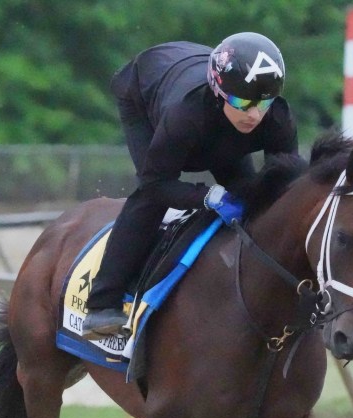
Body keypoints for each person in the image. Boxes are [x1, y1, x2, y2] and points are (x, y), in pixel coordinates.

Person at [81, 32, 299, 338]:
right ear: (219, 90)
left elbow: (285, 187)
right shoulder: (184, 115)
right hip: (144, 95)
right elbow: (157, 183)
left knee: (251, 194)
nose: (253, 115)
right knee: (150, 200)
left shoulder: (275, 115)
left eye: (263, 103)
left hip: (209, 114)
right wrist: (207, 195)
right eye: (243, 102)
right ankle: (102, 303)